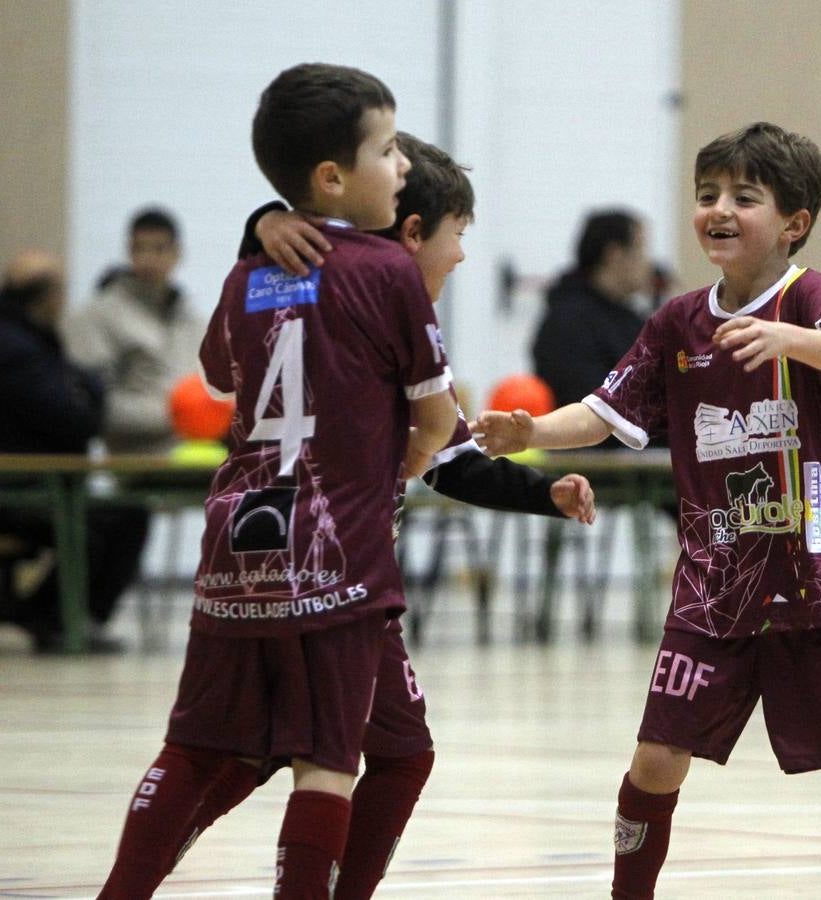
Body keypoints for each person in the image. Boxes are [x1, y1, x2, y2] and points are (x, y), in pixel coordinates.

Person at [477, 122, 821, 900]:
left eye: (744, 196)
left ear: (794, 223)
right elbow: (603, 413)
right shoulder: (675, 323)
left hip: (809, 589)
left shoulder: (807, 296)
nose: (718, 210)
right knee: (654, 762)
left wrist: (787, 338)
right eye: (707, 196)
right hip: (711, 591)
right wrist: (531, 433)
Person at [134, 132, 598, 898]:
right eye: (458, 236)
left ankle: (139, 874)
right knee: (315, 758)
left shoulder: (303, 288)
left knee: (350, 751)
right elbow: (435, 441)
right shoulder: (384, 300)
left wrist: (537, 492)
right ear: (412, 232)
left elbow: (442, 454)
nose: (460, 257)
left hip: (261, 547)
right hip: (341, 569)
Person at [98, 63, 458, 898]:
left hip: (237, 541)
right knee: (326, 762)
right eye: (388, 148)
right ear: (334, 177)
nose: (402, 165)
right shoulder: (388, 273)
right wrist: (387, 466)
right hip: (338, 554)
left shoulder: (242, 273)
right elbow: (436, 424)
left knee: (194, 742)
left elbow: (218, 379)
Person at [0, 251, 149, 653]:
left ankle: (64, 616)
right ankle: (43, 614)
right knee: (94, 528)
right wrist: (93, 393)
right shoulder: (12, 348)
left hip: (35, 483)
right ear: (46, 297)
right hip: (14, 488)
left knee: (125, 513)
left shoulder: (18, 336)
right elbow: (72, 415)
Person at [69, 207, 205, 455]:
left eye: (159, 248)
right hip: (137, 464)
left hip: (195, 460)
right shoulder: (99, 315)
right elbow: (91, 404)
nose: (148, 259)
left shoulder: (193, 320)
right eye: (139, 249)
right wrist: (180, 414)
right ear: (128, 251)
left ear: (177, 253)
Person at [532, 210, 653, 411]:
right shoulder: (568, 323)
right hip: (590, 438)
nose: (648, 264)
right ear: (615, 255)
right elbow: (591, 405)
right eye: (641, 250)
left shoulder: (629, 317)